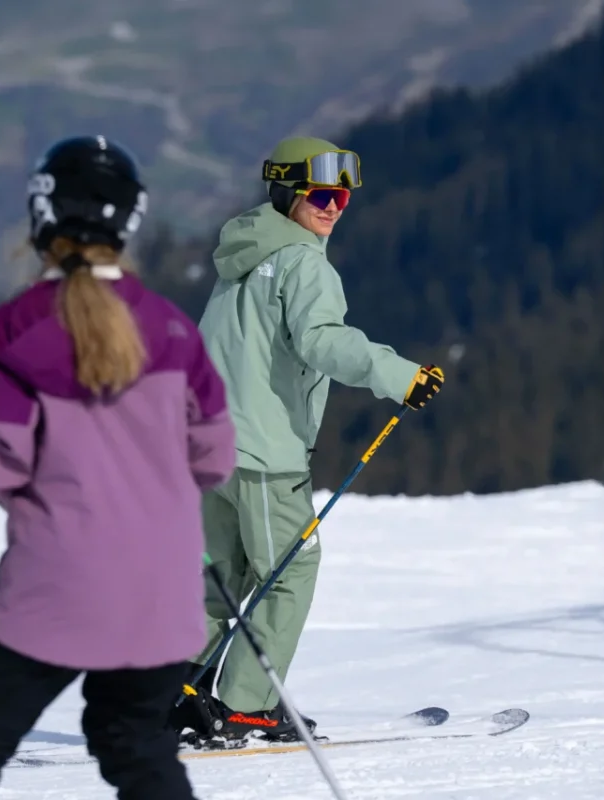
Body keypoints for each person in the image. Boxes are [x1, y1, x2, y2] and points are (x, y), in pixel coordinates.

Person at [0, 134, 236, 800]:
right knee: (137, 748)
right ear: (130, 223)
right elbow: (215, 458)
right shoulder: (171, 330)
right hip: (160, 597)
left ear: (39, 217)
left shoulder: (15, 329)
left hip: (55, 592)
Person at [174, 135, 444, 745]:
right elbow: (323, 340)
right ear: (288, 191)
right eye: (322, 194)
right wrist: (401, 376)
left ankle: (175, 691)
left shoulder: (241, 257)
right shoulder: (302, 263)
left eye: (343, 197)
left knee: (224, 574)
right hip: (263, 455)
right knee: (289, 570)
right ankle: (247, 705)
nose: (334, 207)